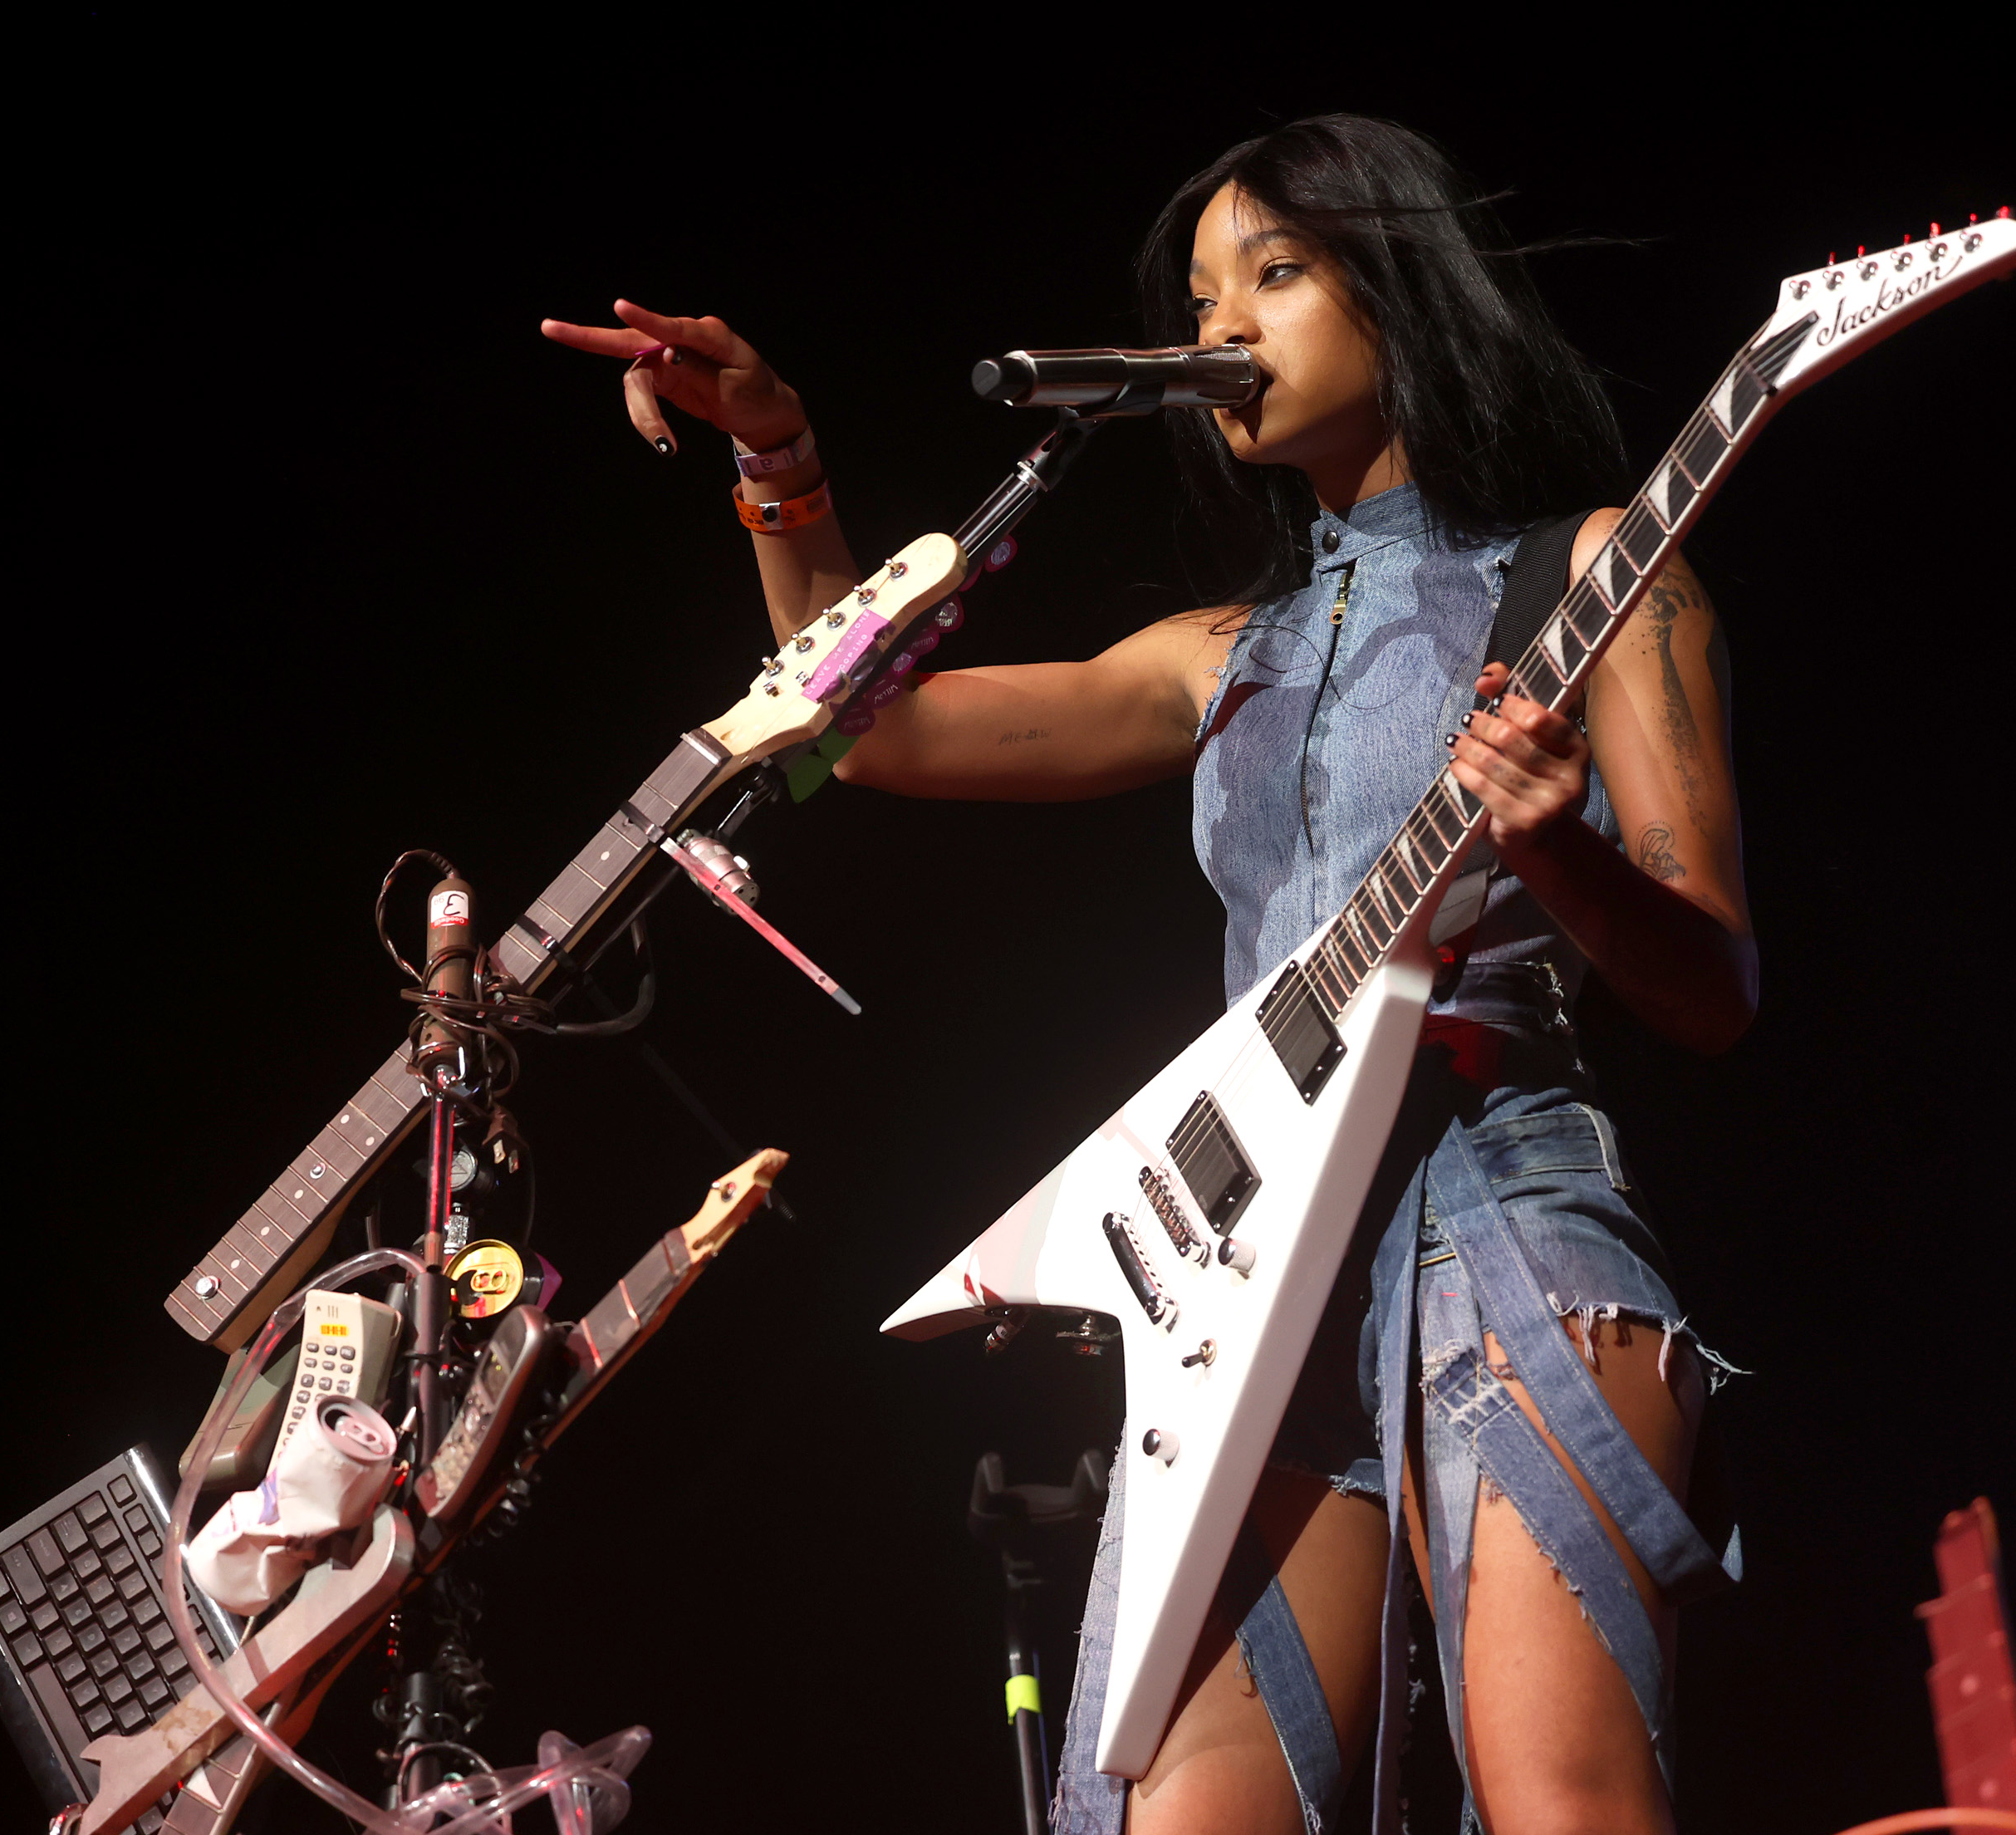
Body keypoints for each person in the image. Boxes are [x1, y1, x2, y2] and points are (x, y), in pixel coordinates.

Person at [544, 115, 1754, 1835]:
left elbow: (1713, 985)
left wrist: (1558, 850)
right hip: (1257, 1275)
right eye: (1199, 298)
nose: (1221, 328)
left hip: (1498, 1203)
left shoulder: (1602, 571)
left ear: (1401, 290)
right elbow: (866, 733)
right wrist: (782, 464)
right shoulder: (1219, 653)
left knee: (1563, 1798)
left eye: (1275, 273)